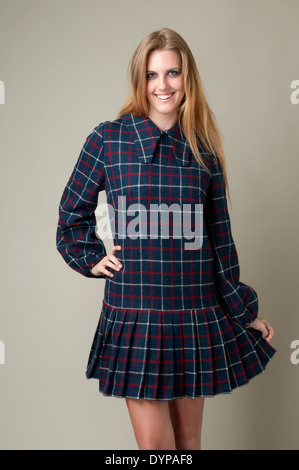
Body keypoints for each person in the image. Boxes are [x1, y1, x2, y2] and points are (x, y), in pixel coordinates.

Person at [56, 27, 276, 450]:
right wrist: (90, 258)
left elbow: (220, 240)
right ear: (140, 81)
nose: (163, 85)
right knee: (157, 451)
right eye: (152, 75)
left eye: (172, 73)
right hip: (137, 311)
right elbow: (71, 213)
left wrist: (243, 310)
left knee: (189, 445)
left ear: (186, 78)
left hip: (195, 311)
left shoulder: (203, 149)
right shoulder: (108, 139)